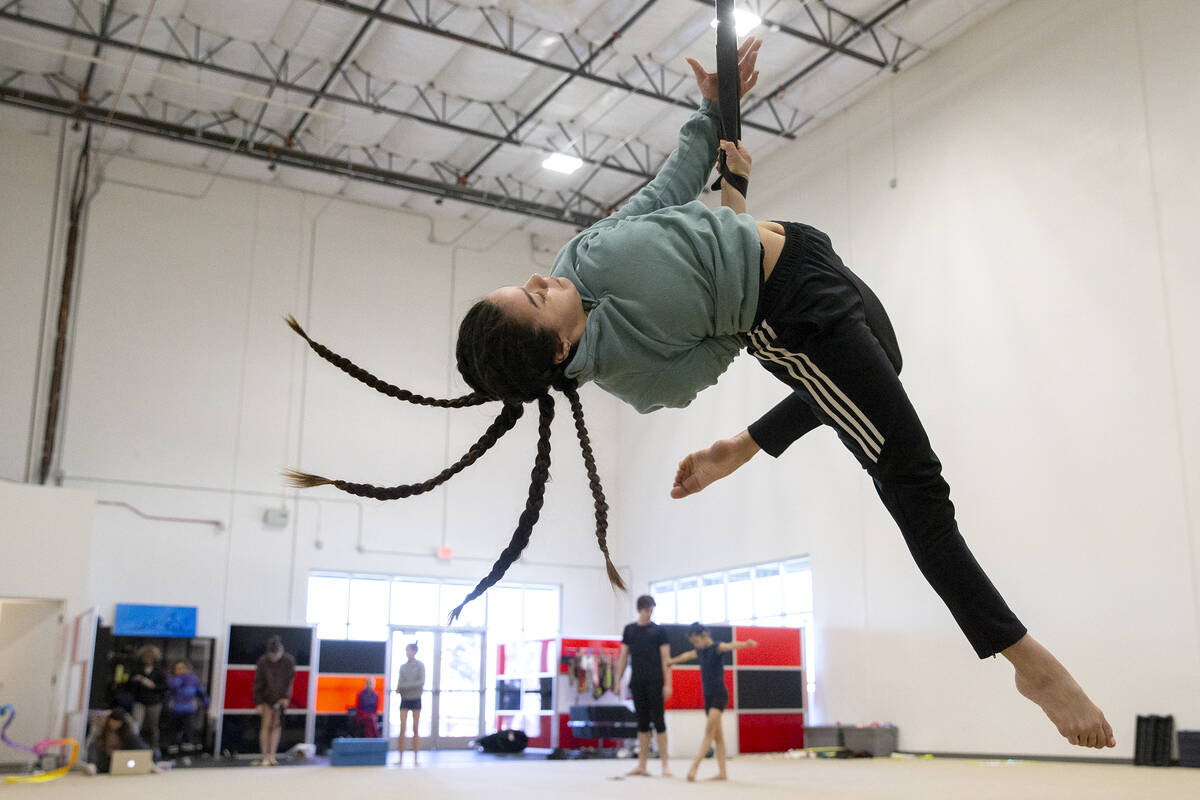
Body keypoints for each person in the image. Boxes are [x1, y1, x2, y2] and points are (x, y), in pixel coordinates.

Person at [282, 36, 1113, 750]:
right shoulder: (633, 373)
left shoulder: (580, 259)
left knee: (887, 363)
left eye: (525, 280)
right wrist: (738, 200)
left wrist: (713, 113)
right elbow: (724, 343)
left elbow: (665, 191)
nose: (541, 274)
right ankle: (1021, 656)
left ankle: (745, 445)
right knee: (912, 477)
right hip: (793, 314)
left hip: (807, 250)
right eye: (534, 296)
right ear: (562, 344)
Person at [667, 624, 756, 782]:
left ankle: (694, 767)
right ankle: (722, 773)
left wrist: (746, 644)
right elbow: (686, 656)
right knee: (718, 737)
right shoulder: (700, 652)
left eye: (696, 641)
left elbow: (729, 646)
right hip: (708, 697)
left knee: (709, 732)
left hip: (719, 695)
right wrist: (671, 661)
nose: (695, 645)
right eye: (693, 643)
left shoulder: (716, 647)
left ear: (704, 635)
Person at [615, 595, 672, 777]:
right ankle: (642, 765)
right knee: (642, 723)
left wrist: (668, 682)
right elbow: (623, 656)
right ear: (641, 609)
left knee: (659, 721)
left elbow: (666, 658)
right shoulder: (630, 630)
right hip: (637, 682)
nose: (650, 613)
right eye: (648, 609)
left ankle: (665, 765)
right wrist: (618, 680)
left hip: (655, 681)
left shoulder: (659, 631)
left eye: (652, 609)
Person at [253, 635, 295, 766]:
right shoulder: (263, 661)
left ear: (281, 652)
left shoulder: (288, 661)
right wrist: (258, 702)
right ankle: (264, 756)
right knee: (266, 724)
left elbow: (289, 682)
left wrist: (286, 697)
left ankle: (272, 755)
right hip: (265, 697)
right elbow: (258, 682)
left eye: (276, 655)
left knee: (276, 724)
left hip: (281, 697)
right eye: (272, 656)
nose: (274, 658)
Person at [164, 660, 209, 763]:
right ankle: (172, 756)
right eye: (178, 668)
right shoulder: (172, 680)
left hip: (189, 710)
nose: (181, 670)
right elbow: (168, 692)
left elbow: (202, 693)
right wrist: (179, 681)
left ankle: (185, 756)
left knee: (188, 733)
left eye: (183, 668)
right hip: (175, 710)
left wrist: (207, 706)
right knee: (174, 733)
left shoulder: (193, 680)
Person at [127, 644, 166, 759]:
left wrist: (152, 685)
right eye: (145, 657)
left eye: (150, 657)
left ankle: (155, 747)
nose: (147, 659)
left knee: (153, 727)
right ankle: (134, 746)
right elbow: (129, 684)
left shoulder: (159, 671)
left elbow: (163, 687)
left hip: (154, 702)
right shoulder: (137, 670)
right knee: (136, 724)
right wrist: (136, 680)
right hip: (139, 701)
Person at [83, 707, 147, 774]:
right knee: (93, 745)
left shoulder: (127, 730)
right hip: (105, 758)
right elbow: (90, 741)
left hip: (121, 757)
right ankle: (92, 766)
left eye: (118, 723)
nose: (115, 724)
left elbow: (136, 734)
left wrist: (128, 719)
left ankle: (148, 762)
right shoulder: (101, 726)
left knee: (135, 740)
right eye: (113, 721)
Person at [394, 643, 425, 765]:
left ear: (414, 651)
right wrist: (399, 688)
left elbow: (421, 682)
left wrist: (404, 686)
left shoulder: (420, 666)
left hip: (416, 698)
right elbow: (400, 682)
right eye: (406, 650)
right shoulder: (402, 667)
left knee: (415, 728)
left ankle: (416, 757)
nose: (407, 652)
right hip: (405, 699)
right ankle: (400, 757)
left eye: (408, 650)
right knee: (402, 728)